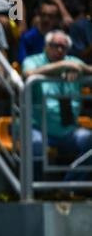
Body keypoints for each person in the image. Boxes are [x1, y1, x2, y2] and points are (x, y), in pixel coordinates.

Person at [23, 30, 92, 181]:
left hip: (67, 131)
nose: (60, 50)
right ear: (46, 46)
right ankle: (36, 191)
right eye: (55, 46)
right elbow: (28, 74)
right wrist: (62, 66)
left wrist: (81, 69)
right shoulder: (34, 60)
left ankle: (69, 185)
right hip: (38, 128)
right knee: (35, 143)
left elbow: (88, 69)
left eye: (64, 47)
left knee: (89, 140)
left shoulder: (73, 62)